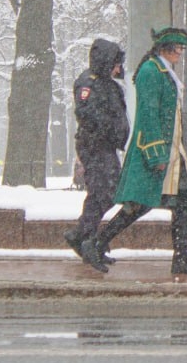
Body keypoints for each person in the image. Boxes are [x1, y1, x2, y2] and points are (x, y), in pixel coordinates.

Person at [79, 26, 187, 275]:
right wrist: (155, 153)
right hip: (156, 151)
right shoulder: (152, 71)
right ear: (165, 48)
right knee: (138, 205)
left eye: (182, 48)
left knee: (183, 199)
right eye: (178, 48)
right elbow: (149, 114)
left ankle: (180, 256)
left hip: (171, 151)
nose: (180, 53)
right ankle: (96, 243)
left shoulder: (162, 70)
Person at [64, 38, 130, 266]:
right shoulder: (89, 83)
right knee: (102, 192)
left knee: (108, 191)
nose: (118, 69)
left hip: (105, 146)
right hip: (95, 146)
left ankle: (83, 235)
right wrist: (109, 130)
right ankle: (86, 237)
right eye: (116, 63)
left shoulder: (106, 83)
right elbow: (87, 114)